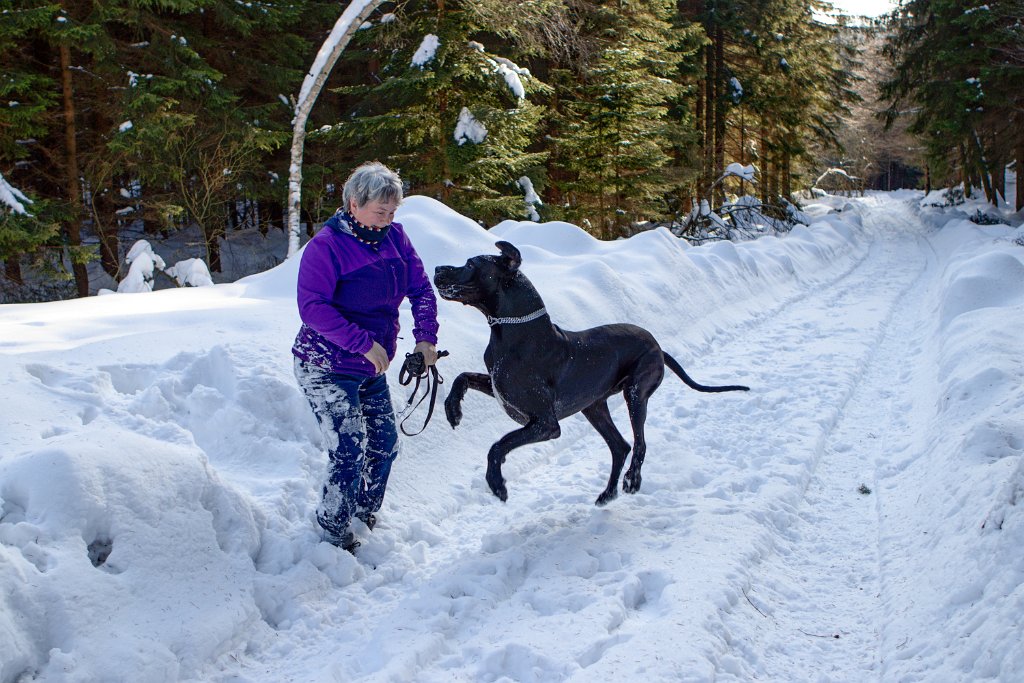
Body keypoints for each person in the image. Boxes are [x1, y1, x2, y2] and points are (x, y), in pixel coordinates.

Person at [292, 161, 439, 552]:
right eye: (380, 212)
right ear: (354, 204)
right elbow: (312, 307)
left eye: (393, 212)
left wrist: (426, 339)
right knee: (348, 449)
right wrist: (362, 343)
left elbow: (421, 290)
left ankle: (363, 512)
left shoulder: (396, 239)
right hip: (325, 365)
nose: (387, 220)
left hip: (369, 365)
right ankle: (333, 529)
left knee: (385, 443)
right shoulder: (327, 246)